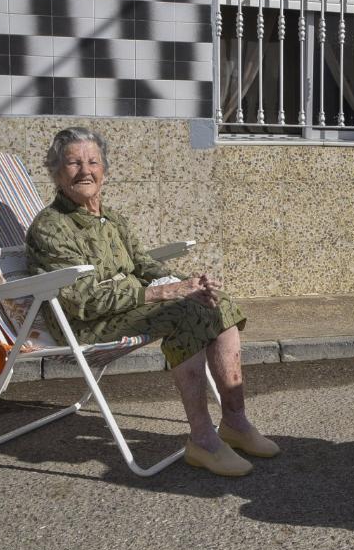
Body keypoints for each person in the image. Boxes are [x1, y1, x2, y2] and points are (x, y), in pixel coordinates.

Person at [26, 127, 279, 477]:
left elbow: (143, 265)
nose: (85, 170)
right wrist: (162, 293)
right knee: (185, 313)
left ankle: (235, 422)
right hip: (87, 325)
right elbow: (82, 301)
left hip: (126, 310)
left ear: (105, 170)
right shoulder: (52, 228)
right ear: (55, 171)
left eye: (93, 161)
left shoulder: (111, 218)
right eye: (73, 162)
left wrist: (186, 284)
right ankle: (203, 442)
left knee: (217, 302)